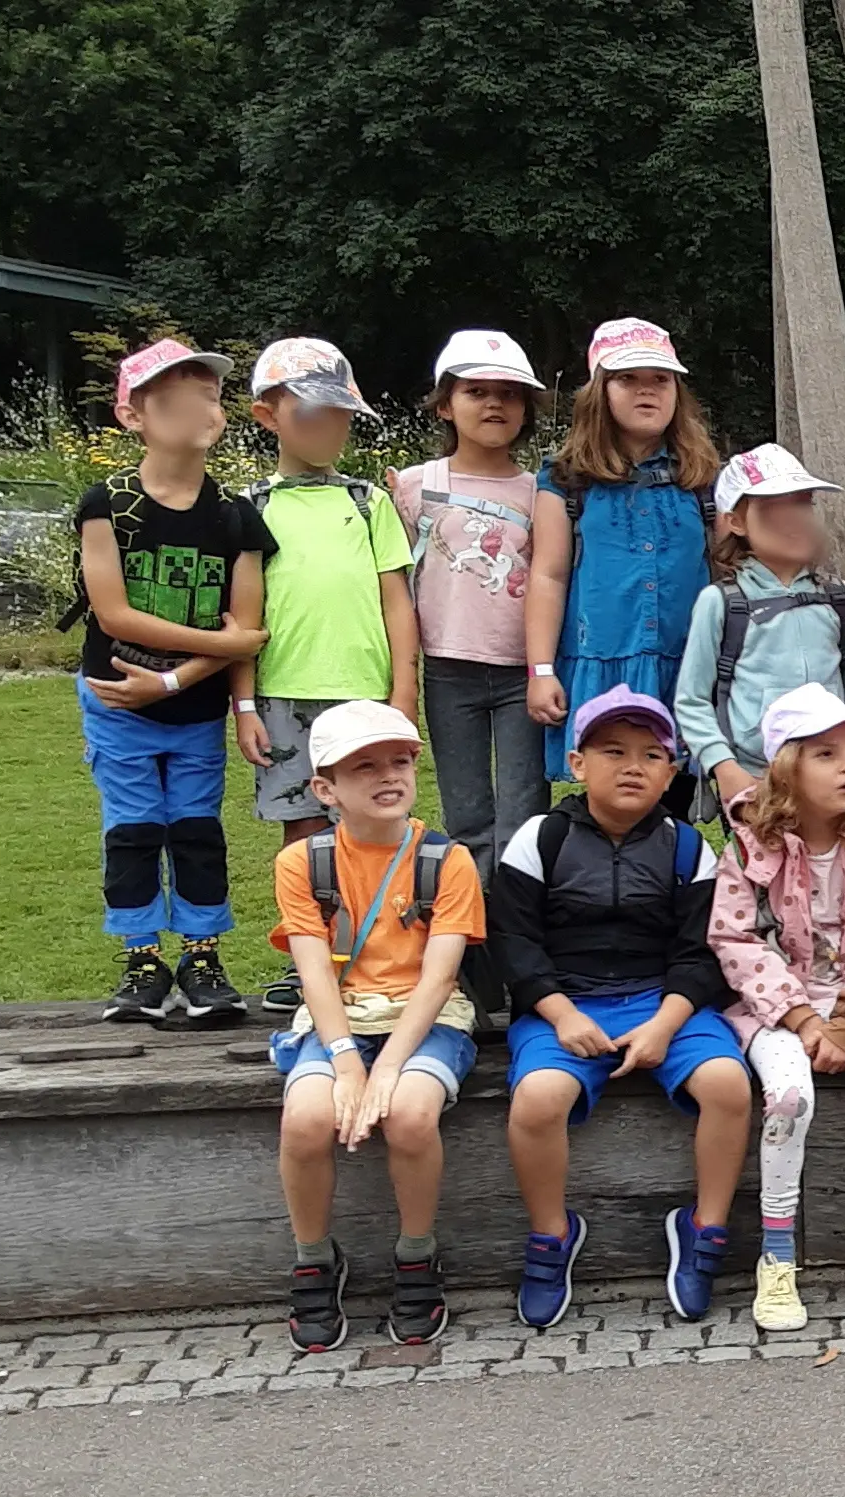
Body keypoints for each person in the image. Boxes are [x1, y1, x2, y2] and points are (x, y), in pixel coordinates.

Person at [492, 688, 756, 1329]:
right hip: (566, 1004)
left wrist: (666, 1024)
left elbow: (704, 954)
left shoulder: (689, 846)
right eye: (613, 751)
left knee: (728, 1084)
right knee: (537, 1100)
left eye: (652, 754)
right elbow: (513, 943)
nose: (633, 766)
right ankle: (552, 1238)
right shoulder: (539, 839)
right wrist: (561, 1015)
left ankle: (704, 1231)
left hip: (662, 1002)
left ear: (672, 772)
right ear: (578, 764)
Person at [265, 701, 483, 1351]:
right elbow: (313, 972)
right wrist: (348, 1060)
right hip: (341, 1017)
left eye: (399, 761)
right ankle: (314, 1259)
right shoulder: (303, 864)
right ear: (325, 789)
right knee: (306, 1117)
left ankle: (417, 1256)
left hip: (427, 1015)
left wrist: (385, 1068)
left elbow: (441, 977)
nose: (388, 776)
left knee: (411, 1114)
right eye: (364, 767)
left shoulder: (448, 861)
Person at [71, 338, 270, 1026]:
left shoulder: (236, 515)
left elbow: (250, 624)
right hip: (115, 700)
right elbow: (114, 612)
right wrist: (223, 642)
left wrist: (181, 676)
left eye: (210, 394)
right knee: (132, 829)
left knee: (194, 829)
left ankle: (203, 955)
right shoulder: (108, 505)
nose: (201, 407)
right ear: (134, 415)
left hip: (195, 709)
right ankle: (140, 960)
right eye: (178, 396)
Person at [708, 685, 845, 1331]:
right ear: (786, 766)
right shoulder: (749, 848)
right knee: (791, 1098)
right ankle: (776, 1251)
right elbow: (735, 939)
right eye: (827, 754)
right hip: (774, 1008)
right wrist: (803, 1020)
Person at [232, 338, 419, 1013]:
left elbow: (396, 599)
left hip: (365, 698)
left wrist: (404, 691)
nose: (328, 429)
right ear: (267, 416)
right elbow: (243, 616)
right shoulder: (251, 506)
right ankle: (305, 958)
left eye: (340, 415)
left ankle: (372, 954)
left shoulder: (369, 503)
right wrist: (244, 704)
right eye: (311, 414)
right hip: (284, 696)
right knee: (302, 834)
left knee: (375, 827)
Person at [526, 318, 721, 810]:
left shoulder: (703, 480)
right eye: (628, 379)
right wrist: (541, 669)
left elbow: (726, 571)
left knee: (674, 804)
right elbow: (547, 576)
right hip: (603, 662)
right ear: (599, 391)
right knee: (613, 802)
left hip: (686, 667)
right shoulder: (567, 478)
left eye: (660, 379)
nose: (646, 391)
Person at [395, 330, 551, 874]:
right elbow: (395, 580)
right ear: (444, 405)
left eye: (508, 394)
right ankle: (470, 928)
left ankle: (518, 926)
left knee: (524, 810)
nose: (493, 404)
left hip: (521, 672)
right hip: (447, 667)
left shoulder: (542, 490)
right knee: (465, 812)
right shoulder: (415, 486)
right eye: (475, 391)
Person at [672, 443, 845, 816]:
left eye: (802, 503)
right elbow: (691, 700)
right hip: (757, 780)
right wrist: (724, 767)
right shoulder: (721, 602)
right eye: (772, 508)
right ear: (736, 522)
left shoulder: (839, 597)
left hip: (831, 776)